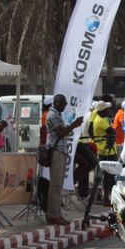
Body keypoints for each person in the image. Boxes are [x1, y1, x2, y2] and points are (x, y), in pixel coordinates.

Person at [45, 94, 84, 226]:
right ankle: (52, 215)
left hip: (61, 151)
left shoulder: (57, 115)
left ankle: (56, 214)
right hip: (56, 152)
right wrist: (74, 125)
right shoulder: (53, 115)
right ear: (56, 103)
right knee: (55, 186)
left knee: (58, 186)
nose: (65, 105)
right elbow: (61, 132)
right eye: (63, 103)